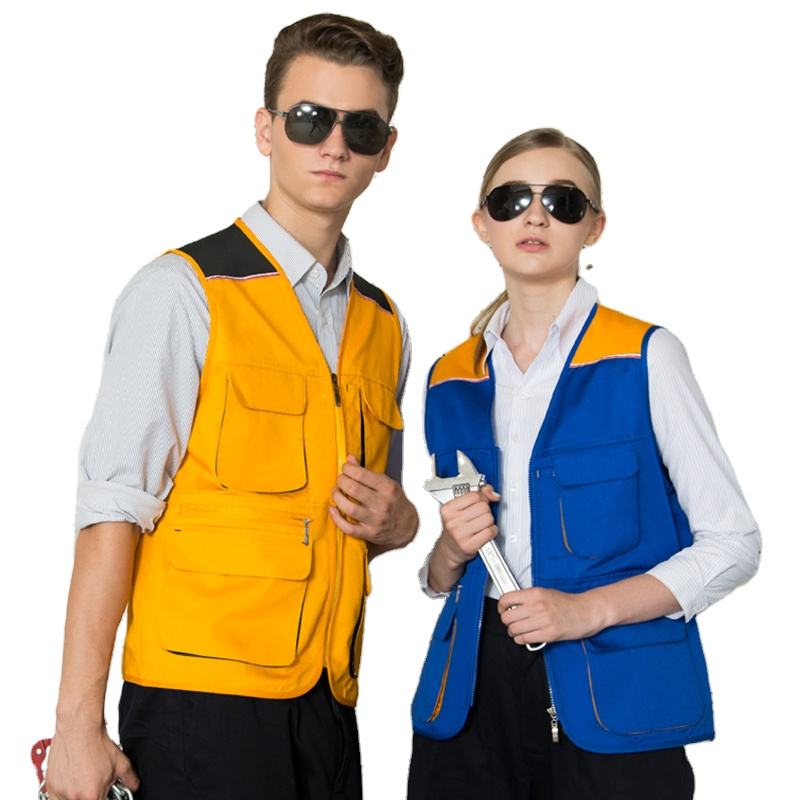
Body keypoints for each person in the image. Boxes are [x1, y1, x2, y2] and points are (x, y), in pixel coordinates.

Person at [45, 13, 418, 800]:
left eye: (360, 126)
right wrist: (77, 724)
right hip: (199, 705)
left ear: (386, 149)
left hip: (328, 703)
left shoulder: (384, 325)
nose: (334, 144)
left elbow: (351, 524)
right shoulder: (182, 292)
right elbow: (113, 507)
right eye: (310, 118)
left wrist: (400, 524)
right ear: (265, 128)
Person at [408, 128, 760, 799]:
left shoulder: (646, 356)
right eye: (512, 200)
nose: (535, 216)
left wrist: (587, 611)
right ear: (482, 224)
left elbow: (734, 543)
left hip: (618, 696)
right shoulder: (449, 377)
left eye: (562, 201)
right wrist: (448, 554)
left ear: (594, 227)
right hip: (470, 699)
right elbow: (445, 570)